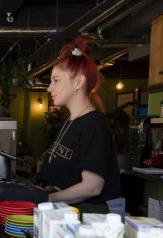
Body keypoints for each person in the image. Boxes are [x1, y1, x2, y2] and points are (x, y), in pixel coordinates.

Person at [39, 36, 121, 214]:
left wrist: (47, 199)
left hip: (87, 220)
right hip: (65, 215)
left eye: (56, 80)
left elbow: (92, 187)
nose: (49, 88)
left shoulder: (94, 125)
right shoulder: (70, 122)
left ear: (78, 82)